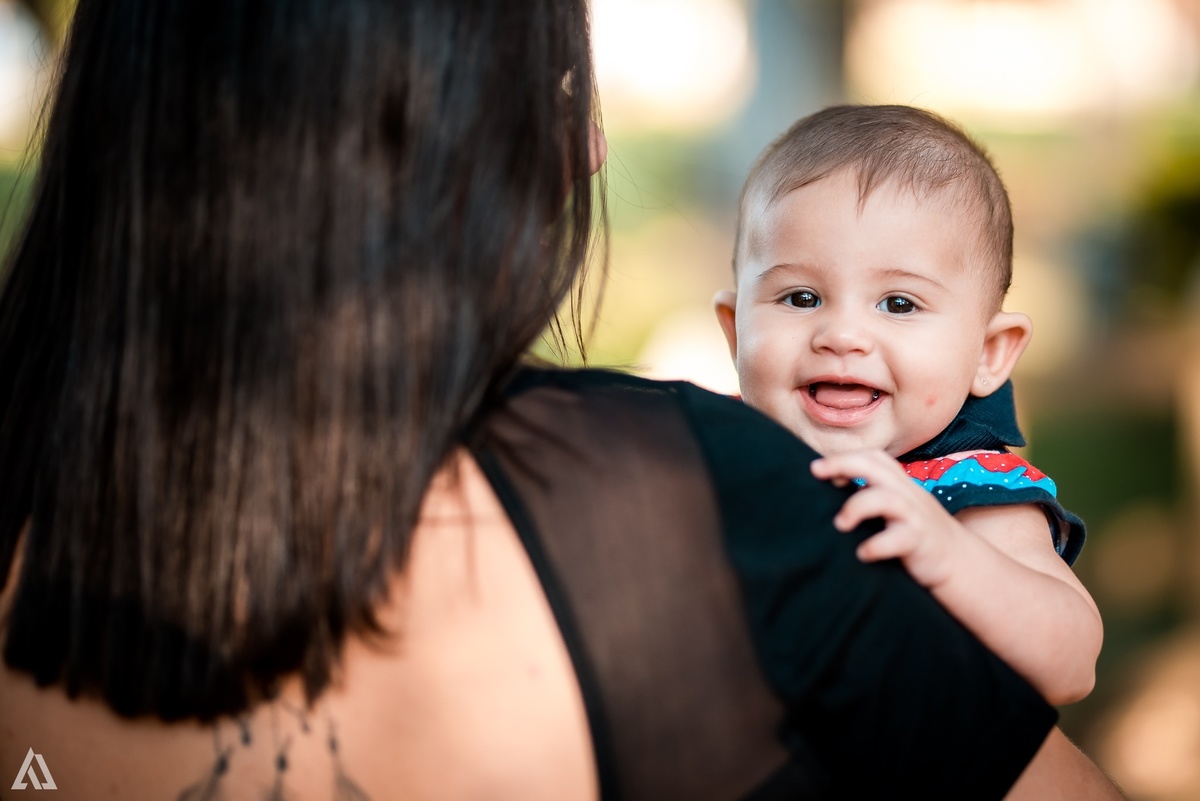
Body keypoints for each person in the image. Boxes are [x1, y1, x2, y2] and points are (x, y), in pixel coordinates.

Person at [0, 2, 1123, 800]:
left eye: (899, 304)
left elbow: (1067, 645)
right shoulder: (691, 506)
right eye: (554, 88)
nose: (591, 148)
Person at [713, 104, 1103, 706]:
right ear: (736, 329)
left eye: (898, 304)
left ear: (988, 354)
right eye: (801, 296)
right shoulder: (715, 448)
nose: (842, 335)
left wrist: (949, 557)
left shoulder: (968, 492)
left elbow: (1074, 665)